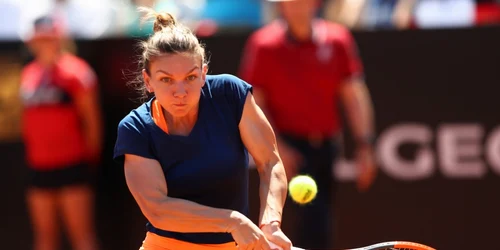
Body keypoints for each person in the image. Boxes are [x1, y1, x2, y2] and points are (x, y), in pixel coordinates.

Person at [113, 9, 292, 250]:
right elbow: (158, 209)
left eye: (190, 77)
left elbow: (270, 162)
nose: (180, 91)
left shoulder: (231, 94)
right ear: (148, 81)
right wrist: (232, 221)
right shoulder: (135, 128)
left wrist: (270, 222)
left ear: (204, 74)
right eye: (166, 79)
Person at [238, 0, 377, 248]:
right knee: (311, 223)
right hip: (286, 150)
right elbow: (255, 102)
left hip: (327, 147)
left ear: (315, 4)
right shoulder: (263, 44)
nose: (297, 7)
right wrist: (277, 148)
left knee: (319, 221)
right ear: (281, 7)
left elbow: (353, 94)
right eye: (289, 3)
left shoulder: (338, 39)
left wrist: (364, 145)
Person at [20, 15, 102, 250]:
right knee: (45, 238)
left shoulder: (77, 72)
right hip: (38, 166)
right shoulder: (29, 74)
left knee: (82, 237)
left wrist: (89, 159)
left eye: (49, 38)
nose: (44, 43)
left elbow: (92, 121)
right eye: (39, 39)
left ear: (59, 39)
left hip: (72, 164)